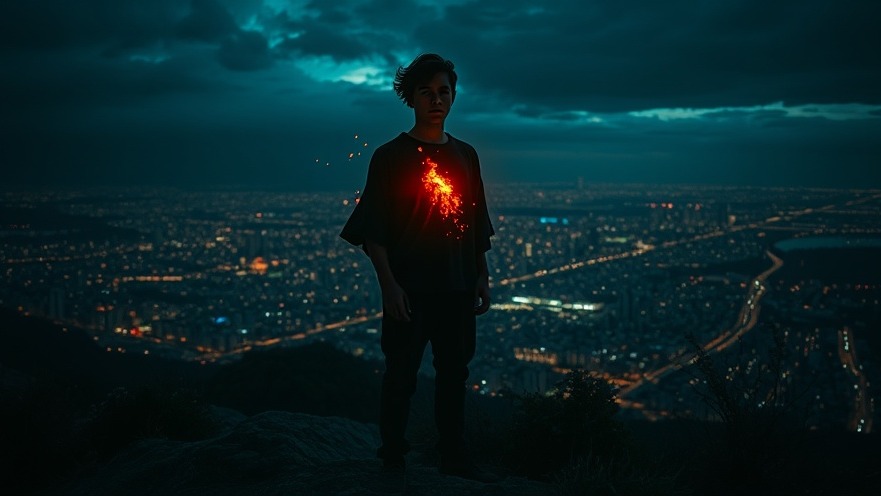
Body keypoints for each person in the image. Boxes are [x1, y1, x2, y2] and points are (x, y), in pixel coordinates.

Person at [340, 53, 495, 481]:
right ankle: (392, 457)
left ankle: (454, 456)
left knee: (454, 374)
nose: (436, 100)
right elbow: (375, 229)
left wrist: (481, 275)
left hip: (458, 284)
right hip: (409, 287)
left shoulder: (467, 155)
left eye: (443, 91)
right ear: (410, 98)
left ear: (454, 96)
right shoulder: (390, 157)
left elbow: (474, 221)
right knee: (400, 375)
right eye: (425, 92)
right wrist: (389, 285)